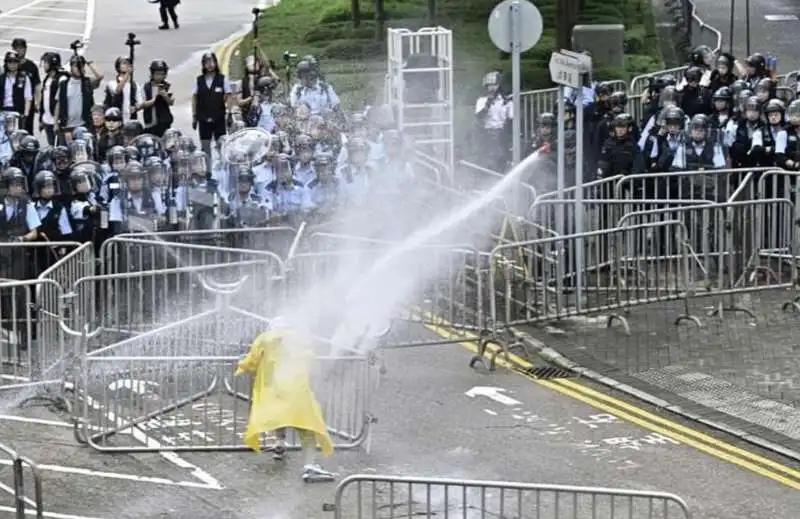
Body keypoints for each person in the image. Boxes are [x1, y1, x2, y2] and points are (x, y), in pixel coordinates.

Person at [235, 317, 336, 483]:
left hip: (274, 389)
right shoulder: (301, 339)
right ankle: (309, 465)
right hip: (297, 390)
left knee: (279, 416)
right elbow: (311, 362)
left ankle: (279, 443)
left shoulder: (264, 338)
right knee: (306, 427)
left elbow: (252, 362)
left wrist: (242, 366)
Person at [191, 53, 231, 176]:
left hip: (218, 117)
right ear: (203, 65)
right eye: (207, 62)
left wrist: (229, 112)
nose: (209, 65)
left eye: (212, 61)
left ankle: (224, 169)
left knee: (221, 144)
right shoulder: (199, 80)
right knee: (205, 145)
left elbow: (228, 96)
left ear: (216, 63)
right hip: (203, 118)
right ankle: (208, 171)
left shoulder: (222, 79)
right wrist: (194, 116)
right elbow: (194, 98)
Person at [54, 55, 103, 145]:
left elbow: (99, 77)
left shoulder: (87, 82)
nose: (78, 69)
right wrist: (55, 123)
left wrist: (89, 64)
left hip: (84, 125)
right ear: (71, 68)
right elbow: (58, 104)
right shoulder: (64, 84)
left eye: (81, 66)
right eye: (76, 66)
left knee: (85, 151)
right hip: (67, 127)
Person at [137, 60, 174, 137]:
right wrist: (155, 99)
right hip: (150, 123)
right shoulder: (145, 87)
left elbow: (171, 102)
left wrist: (165, 95)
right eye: (157, 74)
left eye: (162, 74)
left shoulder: (168, 86)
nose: (160, 76)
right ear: (152, 74)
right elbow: (141, 104)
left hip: (164, 122)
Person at [10, 39, 40, 134]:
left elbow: (37, 86)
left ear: (25, 49)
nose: (19, 51)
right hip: (11, 104)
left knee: (26, 131)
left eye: (21, 48)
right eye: (16, 48)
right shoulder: (9, 66)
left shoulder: (31, 66)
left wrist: (37, 102)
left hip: (27, 103)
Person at [103, 56, 139, 123]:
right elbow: (117, 91)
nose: (127, 65)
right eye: (124, 63)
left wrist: (136, 107)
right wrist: (128, 73)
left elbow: (139, 102)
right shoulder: (112, 83)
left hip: (131, 119)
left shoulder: (135, 85)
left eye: (129, 64)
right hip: (115, 119)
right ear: (118, 67)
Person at [0, 51, 33, 123]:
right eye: (10, 62)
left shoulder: (24, 78)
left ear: (18, 63)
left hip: (18, 112)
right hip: (3, 111)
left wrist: (26, 114)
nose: (12, 65)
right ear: (6, 63)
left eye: (15, 62)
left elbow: (28, 97)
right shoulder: (1, 78)